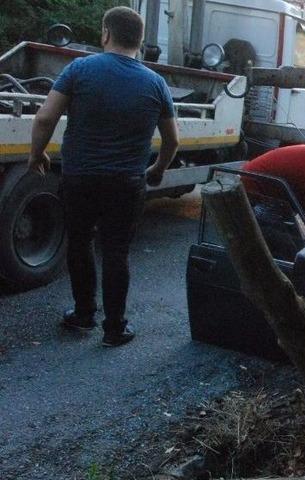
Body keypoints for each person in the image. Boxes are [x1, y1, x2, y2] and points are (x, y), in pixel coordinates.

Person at [28, 6, 180, 347]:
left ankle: (83, 315)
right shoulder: (155, 83)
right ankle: (115, 328)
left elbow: (43, 119)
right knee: (116, 252)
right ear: (139, 42)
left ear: (106, 33)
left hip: (80, 178)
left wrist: (36, 154)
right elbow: (172, 141)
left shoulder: (80, 69)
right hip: (126, 183)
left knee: (79, 244)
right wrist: (157, 170)